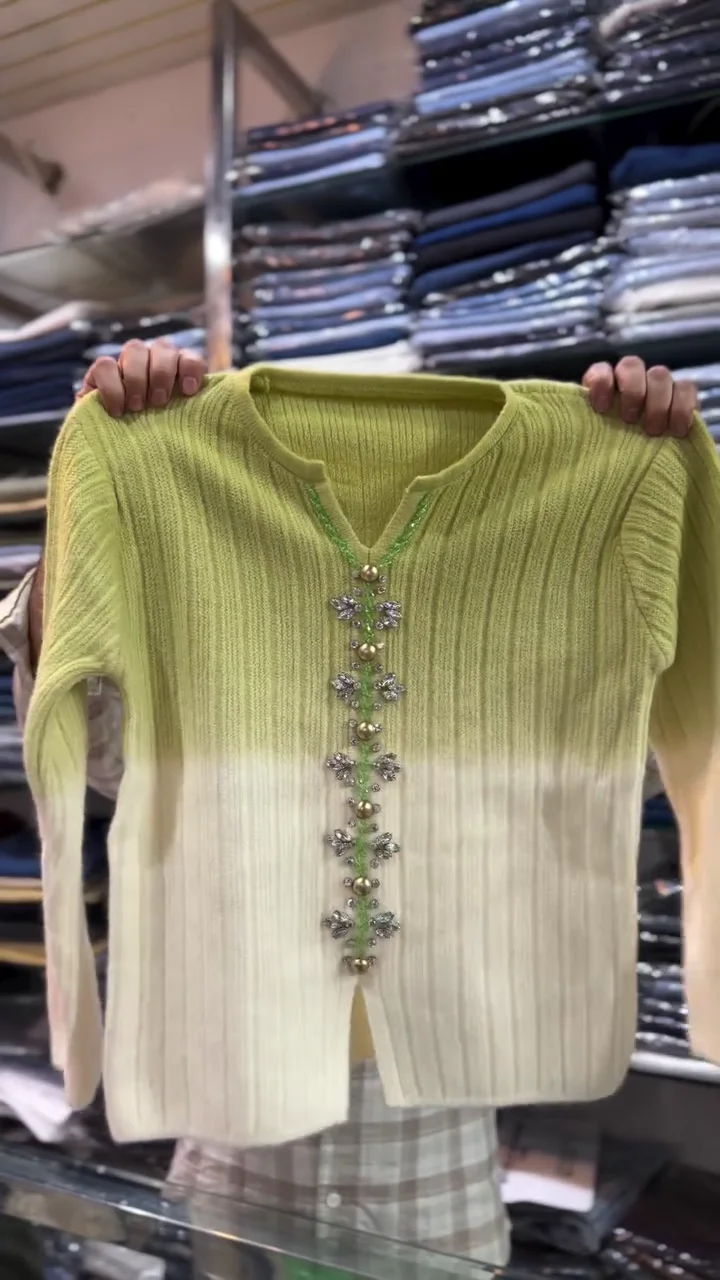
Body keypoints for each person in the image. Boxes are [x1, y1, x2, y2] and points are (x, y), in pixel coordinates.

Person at [0, 343, 700, 1269]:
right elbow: (101, 762)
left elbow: (630, 773)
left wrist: (640, 484)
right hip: (232, 1157)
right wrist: (94, 517)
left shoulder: (581, 507)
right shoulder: (181, 501)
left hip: (433, 1173)